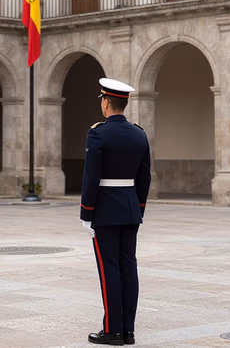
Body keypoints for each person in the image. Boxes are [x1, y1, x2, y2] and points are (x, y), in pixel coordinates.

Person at [81, 78, 151, 346]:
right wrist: (138, 208)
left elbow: (91, 177)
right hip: (131, 208)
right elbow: (144, 177)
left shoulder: (97, 133)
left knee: (109, 267)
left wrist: (86, 212)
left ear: (106, 102)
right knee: (128, 266)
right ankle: (128, 330)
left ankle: (113, 331)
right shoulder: (139, 134)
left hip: (105, 210)